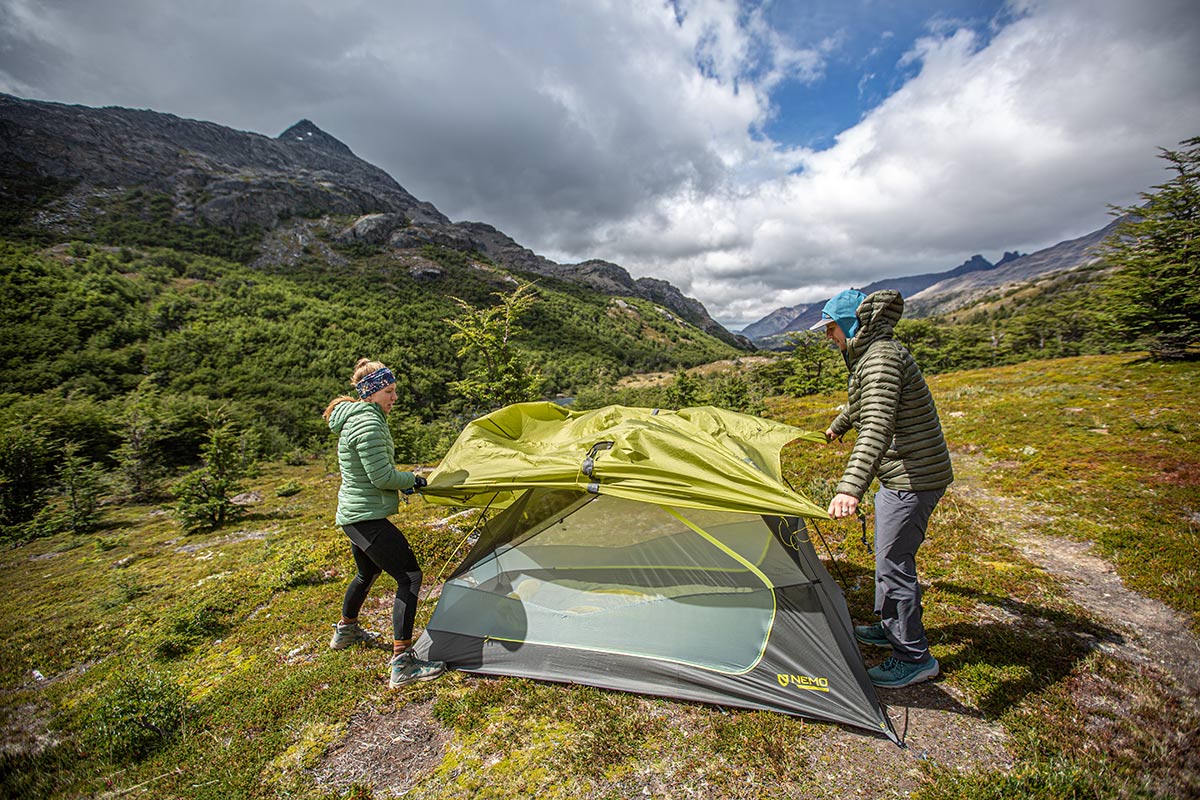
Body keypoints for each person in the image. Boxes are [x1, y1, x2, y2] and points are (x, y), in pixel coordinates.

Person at [811, 289, 954, 688]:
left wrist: (849, 488)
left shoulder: (879, 359)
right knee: (888, 556)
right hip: (907, 474)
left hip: (913, 479)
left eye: (831, 328)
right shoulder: (874, 353)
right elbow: (865, 405)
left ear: (851, 324)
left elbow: (876, 426)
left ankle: (913, 657)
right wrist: (838, 425)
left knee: (893, 563)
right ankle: (890, 626)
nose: (829, 337)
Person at [323, 358, 446, 689]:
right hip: (366, 518)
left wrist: (403, 482)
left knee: (367, 573)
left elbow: (371, 473)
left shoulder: (358, 419)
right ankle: (402, 663)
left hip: (355, 515)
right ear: (373, 392)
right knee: (409, 576)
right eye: (389, 391)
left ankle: (345, 632)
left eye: (394, 391)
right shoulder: (369, 423)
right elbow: (381, 476)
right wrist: (415, 480)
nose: (395, 398)